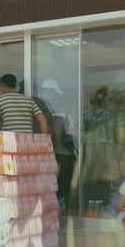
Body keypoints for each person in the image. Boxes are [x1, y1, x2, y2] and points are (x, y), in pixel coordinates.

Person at [33, 79, 76, 208]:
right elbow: (74, 135)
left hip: (50, 153)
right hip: (65, 153)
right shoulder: (67, 117)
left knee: (52, 179)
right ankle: (64, 203)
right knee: (65, 180)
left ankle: (52, 203)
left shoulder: (49, 116)